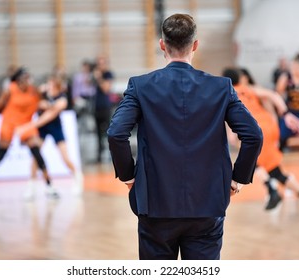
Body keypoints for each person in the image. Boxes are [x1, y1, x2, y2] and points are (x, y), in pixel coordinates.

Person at [107, 14, 263, 260]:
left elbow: (116, 133)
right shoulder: (221, 87)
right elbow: (253, 135)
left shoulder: (140, 86)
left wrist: (128, 176)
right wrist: (237, 180)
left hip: (155, 204)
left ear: (162, 44)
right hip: (208, 203)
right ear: (195, 45)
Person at [223, 67, 299, 219]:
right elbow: (273, 94)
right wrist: (285, 114)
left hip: (256, 131)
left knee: (254, 164)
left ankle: (273, 191)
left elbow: (231, 134)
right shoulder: (248, 88)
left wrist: (234, 140)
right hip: (268, 127)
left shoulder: (227, 94)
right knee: (273, 171)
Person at [0, 67, 59, 200]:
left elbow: (42, 103)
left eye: (28, 78)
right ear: (19, 80)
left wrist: (52, 105)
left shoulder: (34, 91)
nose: (28, 81)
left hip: (25, 124)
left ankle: (50, 186)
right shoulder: (10, 89)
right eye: (25, 78)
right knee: (1, 155)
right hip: (9, 122)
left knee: (37, 153)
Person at [17, 74, 84, 200]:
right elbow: (32, 99)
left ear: (57, 86)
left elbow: (50, 114)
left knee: (65, 157)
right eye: (48, 83)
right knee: (36, 157)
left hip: (55, 127)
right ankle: (31, 186)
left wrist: (30, 125)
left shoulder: (62, 99)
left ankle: (77, 176)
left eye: (51, 84)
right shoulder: (41, 94)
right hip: (42, 129)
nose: (49, 86)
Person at [93, 55, 114, 163]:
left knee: (108, 132)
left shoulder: (107, 75)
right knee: (97, 134)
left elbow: (106, 89)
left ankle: (112, 155)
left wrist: (99, 78)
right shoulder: (95, 75)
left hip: (105, 107)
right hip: (96, 107)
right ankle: (99, 157)